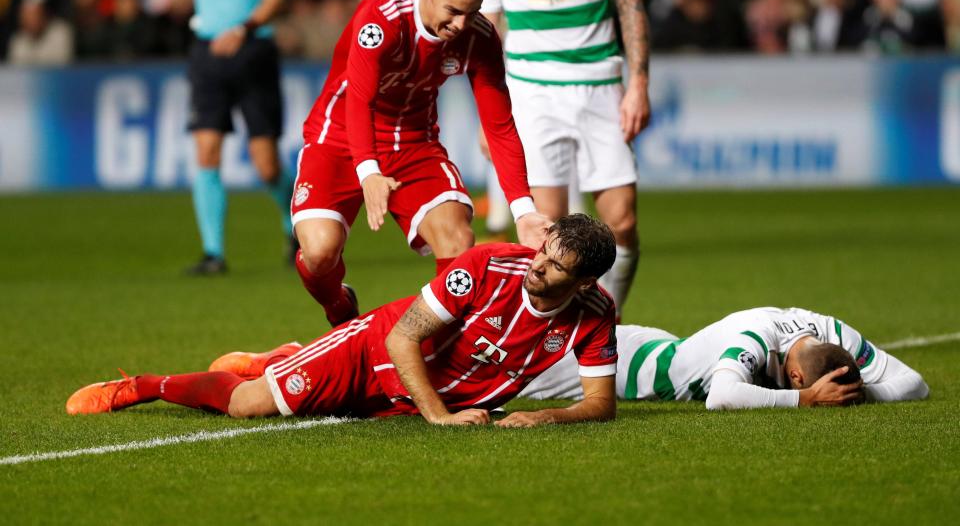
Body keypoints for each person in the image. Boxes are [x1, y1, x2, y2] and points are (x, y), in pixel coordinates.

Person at [66, 215, 618, 428]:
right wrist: (441, 418)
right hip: (376, 348)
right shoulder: (489, 266)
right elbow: (404, 337)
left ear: (586, 284)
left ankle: (275, 359)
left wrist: (546, 418)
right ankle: (141, 385)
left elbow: (600, 404)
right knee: (246, 405)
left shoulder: (594, 314)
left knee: (306, 398)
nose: (536, 268)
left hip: (411, 394)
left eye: (554, 268)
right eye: (542, 253)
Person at [291, 0, 551, 325]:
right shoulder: (382, 17)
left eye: (471, 12)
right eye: (453, 10)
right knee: (319, 252)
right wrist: (369, 172)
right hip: (339, 136)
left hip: (414, 143)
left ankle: (443, 349)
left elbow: (499, 125)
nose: (461, 24)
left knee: (459, 242)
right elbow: (359, 100)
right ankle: (338, 305)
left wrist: (523, 211)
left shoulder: (479, 38)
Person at [474, 0, 651, 320]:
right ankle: (549, 339)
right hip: (531, 92)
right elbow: (487, 34)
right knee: (546, 229)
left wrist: (639, 83)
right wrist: (492, 116)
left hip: (600, 84)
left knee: (622, 222)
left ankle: (609, 319)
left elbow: (630, 4)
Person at [104, 0, 295, 274]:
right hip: (207, 53)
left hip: (253, 50)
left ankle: (294, 228)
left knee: (266, 164)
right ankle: (213, 253)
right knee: (206, 150)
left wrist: (245, 28)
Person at [520, 306, 929, 409]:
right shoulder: (753, 338)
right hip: (631, 368)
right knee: (493, 378)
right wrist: (804, 401)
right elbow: (722, 397)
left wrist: (858, 394)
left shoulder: (834, 333)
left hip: (663, 344)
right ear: (798, 377)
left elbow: (916, 382)